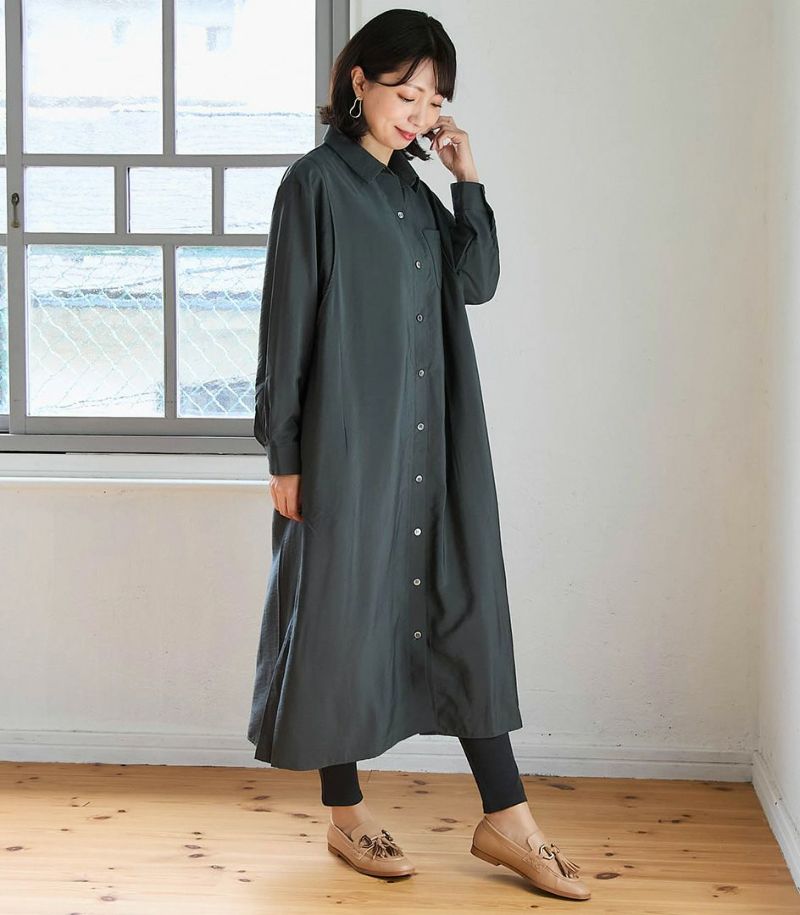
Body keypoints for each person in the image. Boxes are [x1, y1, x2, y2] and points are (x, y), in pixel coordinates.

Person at [248, 8, 590, 901]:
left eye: (433, 100)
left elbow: (474, 281)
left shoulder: (413, 192)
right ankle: (346, 814)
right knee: (339, 616)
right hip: (347, 445)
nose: (419, 114)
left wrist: (466, 178)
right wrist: (284, 453)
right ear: (357, 82)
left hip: (434, 440)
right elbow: (285, 325)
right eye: (406, 94)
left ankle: (508, 818)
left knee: (463, 610)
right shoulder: (313, 186)